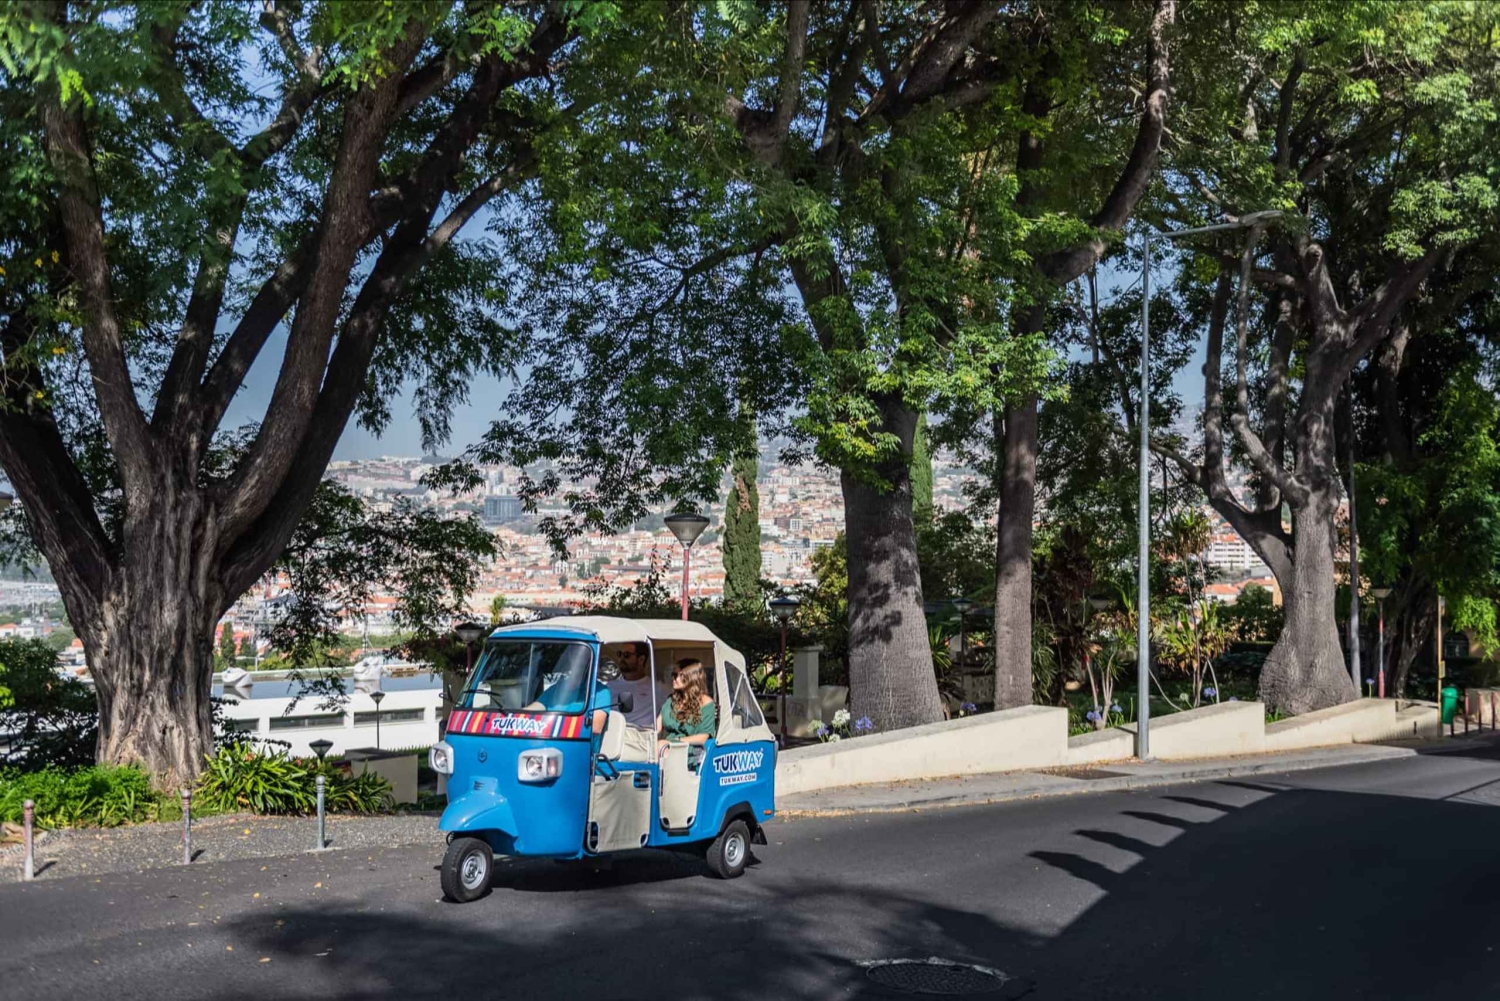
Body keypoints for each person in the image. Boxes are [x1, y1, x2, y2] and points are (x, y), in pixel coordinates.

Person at [657, 658, 716, 765]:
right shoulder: (672, 699)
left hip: (691, 749)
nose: (672, 678)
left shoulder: (706, 703)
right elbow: (657, 727)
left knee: (661, 748)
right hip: (666, 747)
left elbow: (702, 738)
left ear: (690, 678)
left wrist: (674, 741)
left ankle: (664, 780)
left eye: (676, 675)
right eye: (672, 675)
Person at [604, 642, 669, 729]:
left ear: (641, 659)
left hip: (641, 738)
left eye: (626, 655)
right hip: (614, 735)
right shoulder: (610, 686)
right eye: (620, 654)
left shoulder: (658, 688)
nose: (621, 658)